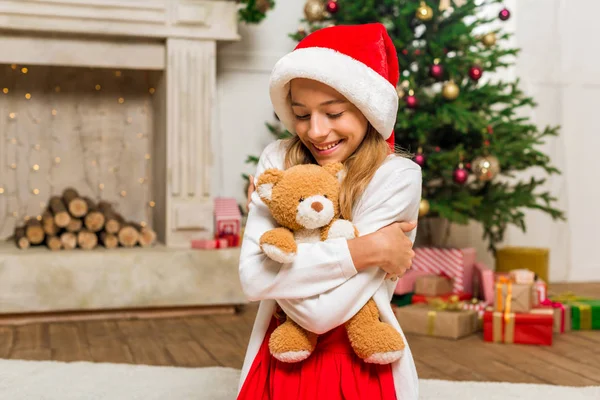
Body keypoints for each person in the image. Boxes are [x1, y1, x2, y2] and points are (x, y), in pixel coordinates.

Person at [237, 23, 422, 400]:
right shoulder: (277, 159)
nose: (317, 132)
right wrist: (368, 249)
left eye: (334, 113)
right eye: (302, 115)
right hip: (278, 356)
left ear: (367, 108)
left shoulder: (397, 175)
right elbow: (253, 279)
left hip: (357, 364)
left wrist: (285, 273)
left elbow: (321, 315)